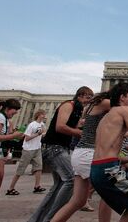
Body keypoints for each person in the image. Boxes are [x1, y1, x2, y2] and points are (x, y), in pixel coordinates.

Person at [50, 85, 120, 222]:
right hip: (90, 154)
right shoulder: (104, 103)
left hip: (80, 153)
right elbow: (127, 109)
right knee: (110, 194)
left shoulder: (93, 106)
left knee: (78, 201)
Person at [89, 83, 128, 222]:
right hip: (110, 171)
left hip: (96, 171)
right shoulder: (125, 110)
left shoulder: (107, 116)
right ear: (123, 97)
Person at [27, 86, 93, 222]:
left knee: (58, 186)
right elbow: (60, 127)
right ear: (81, 95)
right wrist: (80, 133)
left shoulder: (78, 109)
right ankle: (50, 218)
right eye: (88, 97)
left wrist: (82, 125)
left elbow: (72, 127)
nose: (89, 101)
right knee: (71, 180)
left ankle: (38, 219)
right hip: (55, 148)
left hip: (61, 148)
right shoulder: (69, 104)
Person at [5, 110, 47, 196]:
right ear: (38, 115)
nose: (45, 116)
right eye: (43, 115)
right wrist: (38, 134)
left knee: (39, 167)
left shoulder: (42, 125)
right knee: (21, 169)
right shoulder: (32, 125)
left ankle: (37, 186)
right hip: (28, 149)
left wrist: (44, 134)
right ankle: (11, 188)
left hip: (37, 148)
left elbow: (42, 134)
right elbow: (27, 138)